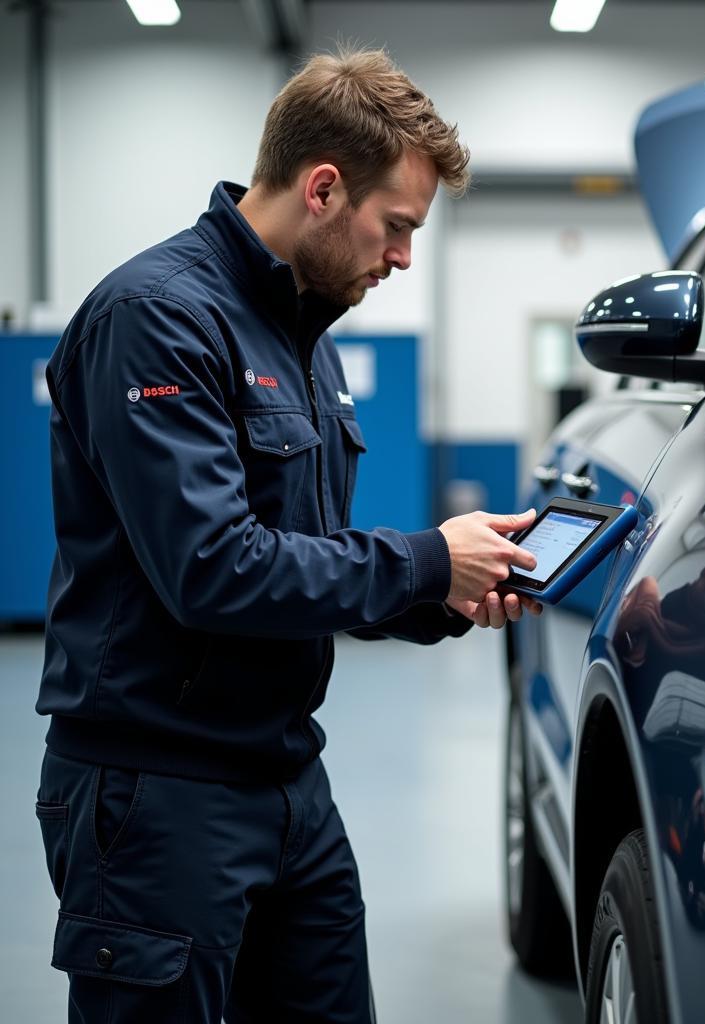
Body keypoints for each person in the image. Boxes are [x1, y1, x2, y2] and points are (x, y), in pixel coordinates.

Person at [34, 47, 540, 1024]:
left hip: (286, 782)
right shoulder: (157, 317)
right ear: (322, 188)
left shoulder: (305, 338)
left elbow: (303, 560)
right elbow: (213, 570)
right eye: (395, 227)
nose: (400, 257)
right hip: (158, 797)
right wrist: (428, 557)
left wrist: (447, 594)